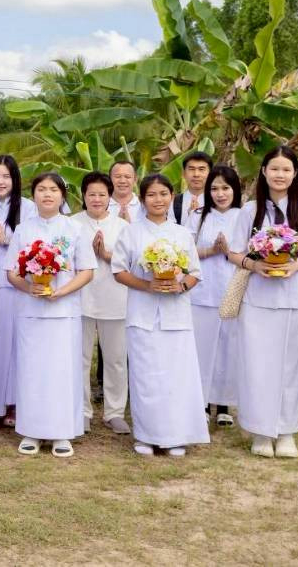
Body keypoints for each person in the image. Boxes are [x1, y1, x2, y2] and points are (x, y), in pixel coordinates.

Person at [227, 146, 298, 459]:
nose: (280, 175)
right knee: (258, 366)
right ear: (264, 172)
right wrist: (255, 266)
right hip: (258, 299)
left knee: (291, 367)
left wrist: (293, 267)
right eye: (274, 169)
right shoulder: (250, 210)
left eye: (286, 170)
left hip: (294, 299)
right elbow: (233, 252)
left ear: (295, 174)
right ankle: (260, 431)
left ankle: (285, 432)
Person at [112, 174, 209, 457]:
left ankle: (176, 436)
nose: (158, 200)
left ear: (171, 197)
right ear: (142, 199)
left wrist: (179, 286)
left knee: (176, 376)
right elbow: (118, 271)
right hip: (142, 314)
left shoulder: (182, 234)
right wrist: (148, 285)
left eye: (164, 194)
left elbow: (195, 274)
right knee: (146, 376)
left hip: (176, 315)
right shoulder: (131, 232)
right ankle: (147, 435)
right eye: (152, 195)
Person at [6, 172, 96, 458]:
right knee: (32, 372)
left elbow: (87, 271)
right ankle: (31, 430)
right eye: (41, 189)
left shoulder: (74, 228)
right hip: (31, 313)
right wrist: (27, 287)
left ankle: (62, 433)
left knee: (62, 372)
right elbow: (10, 271)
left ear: (62, 195)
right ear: (34, 195)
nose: (47, 194)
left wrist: (62, 292)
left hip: (64, 312)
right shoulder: (23, 230)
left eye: (53, 190)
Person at [73, 172, 131, 435]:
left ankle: (115, 412)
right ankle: (82, 411)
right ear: (83, 196)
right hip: (81, 300)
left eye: (101, 194)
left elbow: (130, 265)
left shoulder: (123, 227)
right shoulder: (72, 224)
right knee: (81, 358)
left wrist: (105, 254)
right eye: (91, 194)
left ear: (110, 197)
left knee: (116, 359)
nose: (96, 199)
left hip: (115, 299)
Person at [0, 155, 35, 426]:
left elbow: (34, 245)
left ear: (15, 180)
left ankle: (14, 402)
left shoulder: (27, 208)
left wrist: (8, 239)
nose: (0, 182)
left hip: (17, 286)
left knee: (15, 345)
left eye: (6, 176)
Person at [192, 166, 244, 427]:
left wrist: (229, 252)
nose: (220, 193)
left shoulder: (245, 216)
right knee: (202, 347)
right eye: (214, 188)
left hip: (233, 291)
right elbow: (186, 251)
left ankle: (223, 404)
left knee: (228, 348)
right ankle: (200, 401)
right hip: (203, 292)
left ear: (235, 190)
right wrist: (212, 251)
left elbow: (251, 253)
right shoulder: (199, 215)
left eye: (225, 188)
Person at [173, 151, 212, 234]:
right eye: (191, 169)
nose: (196, 174)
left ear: (211, 173)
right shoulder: (173, 202)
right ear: (183, 173)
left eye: (201, 169)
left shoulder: (218, 202)